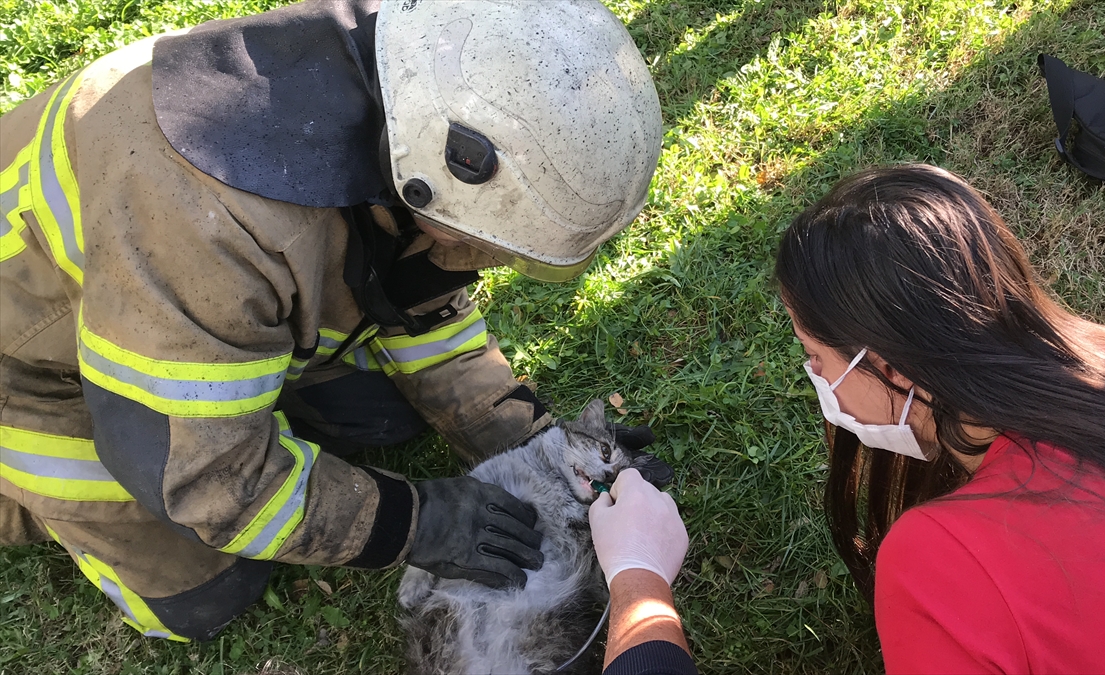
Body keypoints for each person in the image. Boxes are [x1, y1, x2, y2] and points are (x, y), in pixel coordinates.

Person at [0, 0, 662, 642]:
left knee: (382, 414)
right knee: (206, 589)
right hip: (29, 370)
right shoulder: (209, 223)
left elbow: (419, 308)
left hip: (160, 310)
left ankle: (229, 378)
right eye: (496, 246)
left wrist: (544, 446)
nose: (494, 264)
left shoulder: (422, 74)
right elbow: (200, 477)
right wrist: (417, 523)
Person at [592, 164, 1105, 673]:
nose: (818, 381)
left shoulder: (946, 564)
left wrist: (638, 579)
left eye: (815, 357)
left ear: (895, 369)